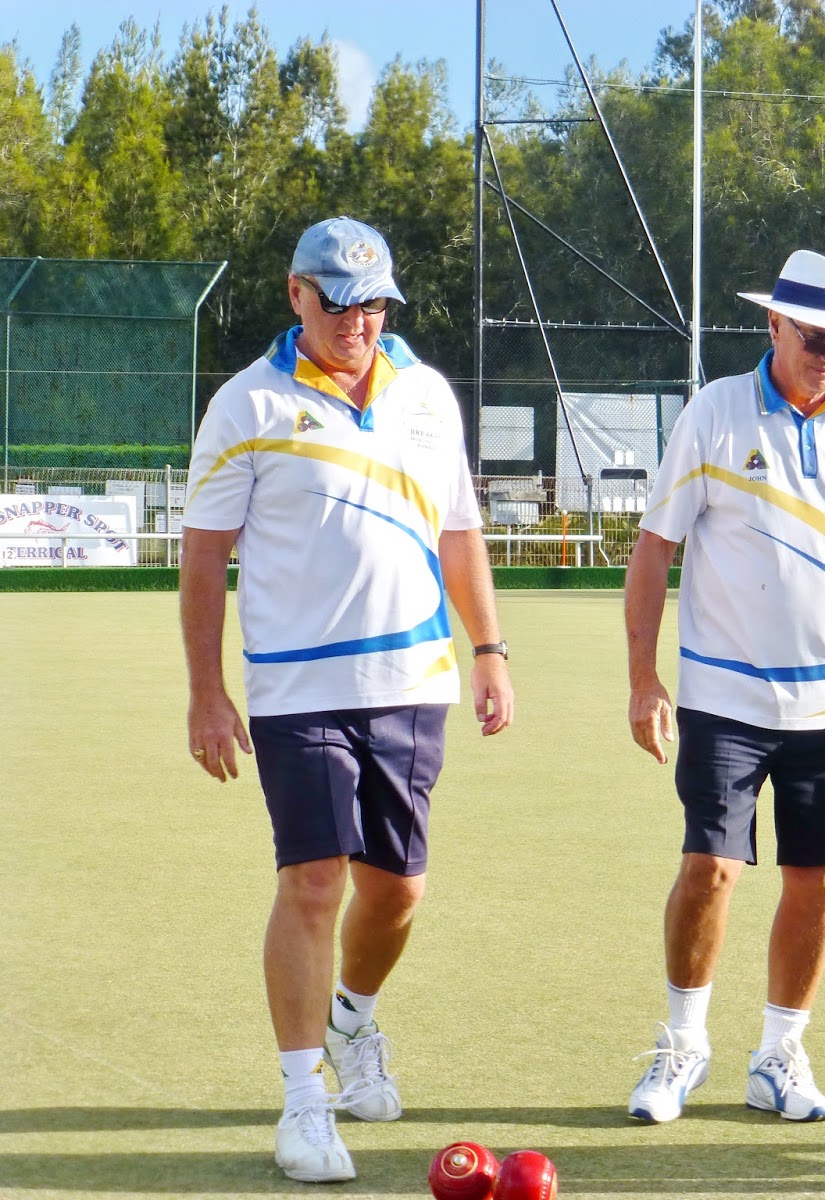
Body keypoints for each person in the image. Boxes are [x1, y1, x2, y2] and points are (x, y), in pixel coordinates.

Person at [179, 216, 514, 1183]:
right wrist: (207, 692)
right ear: (296, 294)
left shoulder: (428, 397)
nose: (357, 320)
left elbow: (459, 533)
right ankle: (303, 1098)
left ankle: (354, 1019)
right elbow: (205, 562)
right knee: (314, 881)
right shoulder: (246, 404)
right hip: (297, 688)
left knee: (398, 888)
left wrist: (489, 650)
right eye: (337, 300)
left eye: (373, 302)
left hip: (414, 682)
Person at [623, 250, 825, 1124]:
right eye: (815, 335)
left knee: (818, 878)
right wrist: (645, 679)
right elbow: (655, 549)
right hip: (725, 697)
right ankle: (683, 1045)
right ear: (773, 325)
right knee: (711, 868)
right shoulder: (716, 412)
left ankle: (779, 1055)